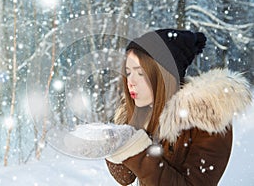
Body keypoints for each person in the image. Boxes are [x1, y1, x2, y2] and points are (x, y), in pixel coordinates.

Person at [105, 29, 252, 186]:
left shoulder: (207, 118)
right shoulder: (141, 111)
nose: (130, 82)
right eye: (128, 73)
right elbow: (125, 177)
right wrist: (112, 144)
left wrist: (137, 152)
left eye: (140, 73)